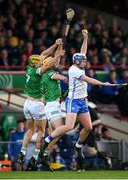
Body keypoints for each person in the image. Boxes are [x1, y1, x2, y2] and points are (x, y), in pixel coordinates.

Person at [40, 29, 113, 164]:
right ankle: (46, 141)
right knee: (68, 126)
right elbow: (88, 80)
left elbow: (83, 51)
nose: (85, 62)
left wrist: (85, 38)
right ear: (77, 61)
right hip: (73, 101)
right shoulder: (73, 70)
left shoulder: (79, 65)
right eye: (83, 61)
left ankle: (78, 146)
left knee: (89, 127)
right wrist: (103, 83)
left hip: (82, 101)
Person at [17, 38, 65, 170]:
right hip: (37, 105)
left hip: (26, 104)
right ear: (36, 64)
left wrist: (55, 45)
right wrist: (58, 54)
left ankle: (22, 152)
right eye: (38, 61)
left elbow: (44, 53)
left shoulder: (29, 67)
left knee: (30, 129)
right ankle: (35, 156)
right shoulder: (38, 72)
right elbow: (49, 64)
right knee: (42, 131)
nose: (40, 60)